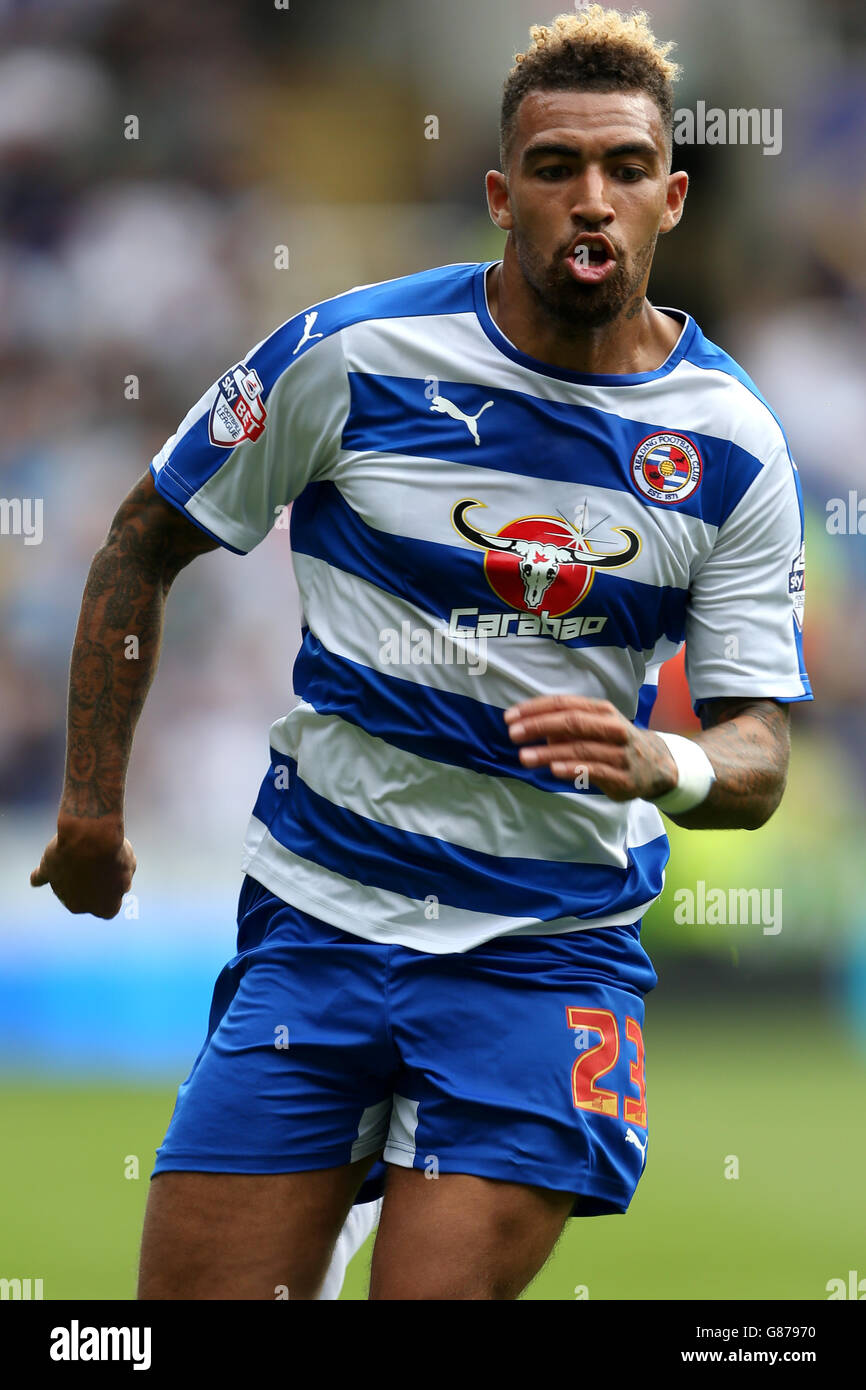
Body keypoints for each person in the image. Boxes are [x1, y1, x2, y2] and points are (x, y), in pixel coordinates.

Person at [32, 5, 811, 1301]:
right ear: (501, 193)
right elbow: (139, 541)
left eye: (624, 168)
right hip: (319, 925)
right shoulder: (353, 354)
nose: (591, 199)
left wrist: (656, 755)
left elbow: (755, 753)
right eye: (556, 167)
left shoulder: (730, 447)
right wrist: (93, 803)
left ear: (670, 198)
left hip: (542, 950)